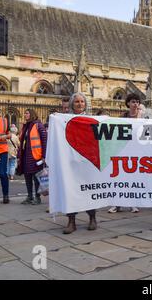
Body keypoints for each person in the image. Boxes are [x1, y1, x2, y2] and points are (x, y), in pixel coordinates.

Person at [63, 93, 98, 234]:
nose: (79, 104)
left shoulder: (91, 119)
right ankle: (71, 221)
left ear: (86, 104)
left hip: (87, 160)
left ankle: (92, 218)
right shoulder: (64, 119)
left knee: (89, 190)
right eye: (76, 101)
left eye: (82, 101)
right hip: (70, 161)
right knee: (70, 190)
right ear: (72, 104)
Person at [108, 93, 141, 214]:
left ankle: (133, 203)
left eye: (137, 101)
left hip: (137, 150)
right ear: (128, 103)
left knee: (133, 177)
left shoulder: (143, 116)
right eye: (133, 101)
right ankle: (117, 204)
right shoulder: (123, 117)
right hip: (123, 149)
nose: (135, 104)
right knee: (120, 177)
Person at [18, 109, 47, 205]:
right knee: (27, 177)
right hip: (26, 156)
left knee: (36, 178)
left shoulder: (38, 125)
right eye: (25, 113)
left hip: (36, 156)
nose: (25, 115)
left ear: (32, 114)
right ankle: (29, 196)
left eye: (27, 113)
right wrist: (19, 156)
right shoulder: (26, 126)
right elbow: (22, 142)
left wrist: (44, 156)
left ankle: (37, 198)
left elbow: (44, 140)